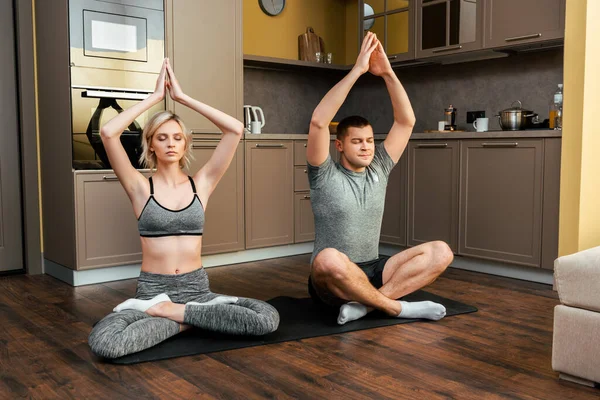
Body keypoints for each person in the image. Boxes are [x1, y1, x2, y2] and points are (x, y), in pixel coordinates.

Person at [88, 59, 279, 359]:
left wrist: (183, 98)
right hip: (152, 291)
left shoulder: (200, 184)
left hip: (197, 291)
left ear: (186, 144)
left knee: (266, 317)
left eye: (177, 138)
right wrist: (153, 99)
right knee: (107, 342)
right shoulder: (140, 187)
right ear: (150, 145)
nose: (170, 144)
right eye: (161, 138)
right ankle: (193, 319)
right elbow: (109, 133)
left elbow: (235, 129)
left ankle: (171, 314)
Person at [306, 32, 454, 325]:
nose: (366, 147)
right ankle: (398, 308)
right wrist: (358, 71)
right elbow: (319, 121)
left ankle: (369, 306)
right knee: (327, 258)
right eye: (357, 141)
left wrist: (387, 72)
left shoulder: (379, 167)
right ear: (340, 146)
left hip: (375, 270)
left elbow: (405, 121)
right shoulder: (323, 173)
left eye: (370, 141)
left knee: (441, 252)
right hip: (335, 279)